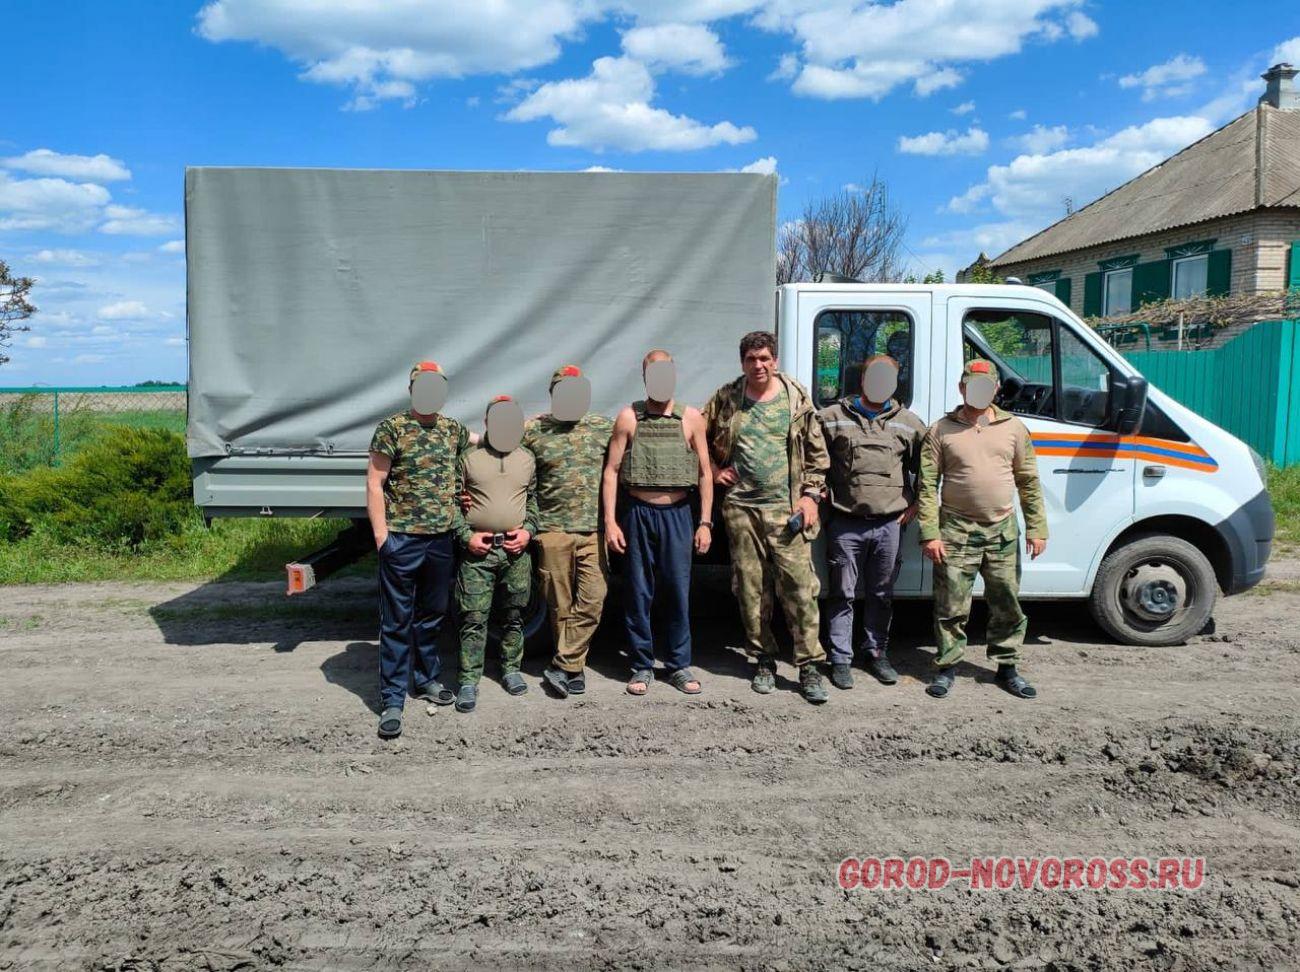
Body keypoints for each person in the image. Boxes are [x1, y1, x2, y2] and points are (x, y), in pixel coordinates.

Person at [703, 330, 830, 704]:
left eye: (764, 359)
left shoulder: (796, 400)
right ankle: (763, 659)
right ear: (742, 362)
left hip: (788, 511)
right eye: (750, 359)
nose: (758, 366)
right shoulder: (727, 398)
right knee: (751, 591)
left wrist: (810, 497)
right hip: (742, 510)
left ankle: (808, 666)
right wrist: (712, 469)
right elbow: (694, 435)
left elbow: (817, 457)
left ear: (775, 360)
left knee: (800, 589)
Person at [916, 358, 1048, 701]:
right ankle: (946, 668)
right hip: (956, 530)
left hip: (1002, 530)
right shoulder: (941, 430)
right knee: (951, 605)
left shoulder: (1014, 428)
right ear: (961, 389)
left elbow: (1028, 481)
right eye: (970, 386)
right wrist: (930, 533)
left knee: (1005, 600)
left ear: (995, 389)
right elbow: (927, 486)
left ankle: (1007, 667)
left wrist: (1037, 528)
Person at [602, 350, 713, 697]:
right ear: (644, 376)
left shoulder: (691, 418)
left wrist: (705, 522)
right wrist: (610, 522)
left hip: (678, 515)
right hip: (637, 514)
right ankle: (641, 664)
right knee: (638, 592)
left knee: (678, 592)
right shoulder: (628, 417)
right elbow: (612, 472)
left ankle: (679, 665)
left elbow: (705, 473)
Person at [367, 360, 466, 740]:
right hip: (402, 540)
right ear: (412, 389)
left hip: (440, 540)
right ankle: (392, 699)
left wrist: (531, 421)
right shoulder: (392, 429)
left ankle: (426, 679)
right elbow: (374, 482)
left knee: (432, 616)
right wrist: (382, 538)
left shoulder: (452, 429)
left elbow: (485, 441)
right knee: (396, 622)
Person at [817, 354, 925, 690]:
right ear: (862, 380)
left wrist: (917, 504)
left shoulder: (908, 422)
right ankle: (839, 659)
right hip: (845, 522)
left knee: (881, 594)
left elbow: (930, 468)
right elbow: (812, 460)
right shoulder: (831, 417)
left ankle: (876, 653)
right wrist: (817, 492)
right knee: (841, 594)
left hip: (889, 525)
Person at [523, 365, 615, 699]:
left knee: (593, 599)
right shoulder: (532, 430)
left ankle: (563, 665)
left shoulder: (602, 427)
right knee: (559, 604)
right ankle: (572, 670)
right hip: (552, 530)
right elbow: (495, 451)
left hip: (593, 530)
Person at [453, 395, 539, 713]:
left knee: (514, 616)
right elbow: (450, 503)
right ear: (487, 423)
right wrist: (466, 537)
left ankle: (511, 670)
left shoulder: (527, 458)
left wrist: (528, 531)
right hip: (479, 552)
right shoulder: (468, 457)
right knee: (473, 618)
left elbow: (533, 501)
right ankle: (468, 681)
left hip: (515, 552)